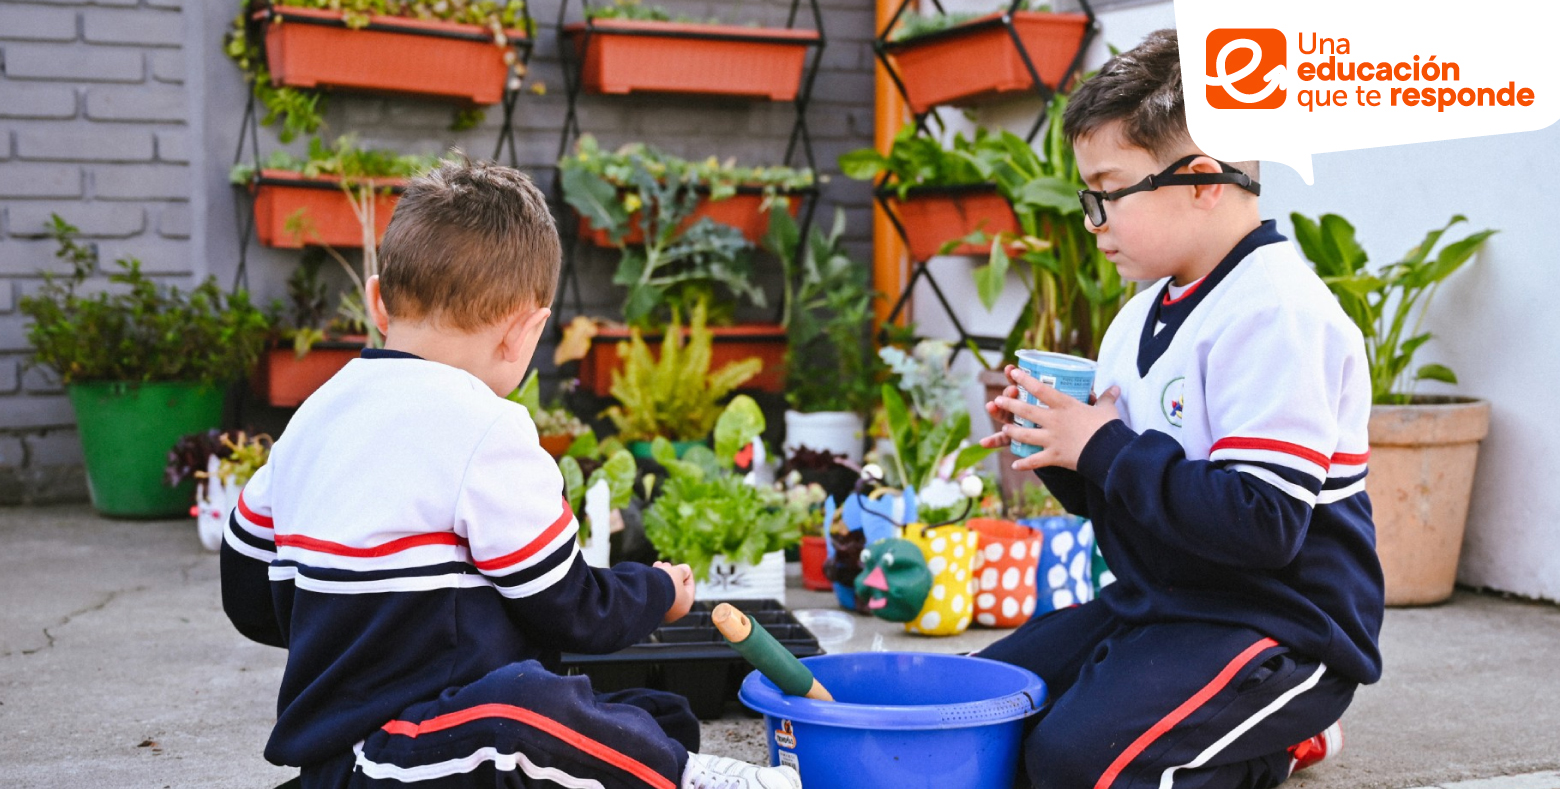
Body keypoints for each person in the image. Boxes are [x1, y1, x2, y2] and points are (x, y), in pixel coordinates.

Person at [221, 157, 802, 789]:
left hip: (350, 754)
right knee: (528, 712)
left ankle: (660, 762)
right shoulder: (486, 427)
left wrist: (343, 629)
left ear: (377, 301)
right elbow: (568, 607)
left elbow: (248, 593)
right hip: (407, 752)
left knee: (653, 716)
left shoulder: (316, 414)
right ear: (525, 332)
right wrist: (657, 592)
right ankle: (692, 781)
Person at [978, 29, 1383, 789]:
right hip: (1164, 603)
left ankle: (1281, 737)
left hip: (1280, 623)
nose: (1092, 221)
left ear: (1202, 178)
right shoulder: (1138, 316)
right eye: (1086, 197)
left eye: (1108, 192)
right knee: (983, 702)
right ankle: (1200, 718)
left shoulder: (1277, 312)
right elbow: (1135, 497)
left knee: (1076, 762)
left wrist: (1100, 446)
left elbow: (1261, 523)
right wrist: (1062, 443)